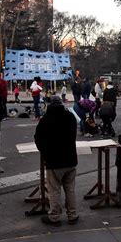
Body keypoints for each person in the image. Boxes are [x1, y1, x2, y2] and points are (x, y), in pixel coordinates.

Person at [35, 95, 79, 226]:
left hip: (54, 161)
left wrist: (45, 153)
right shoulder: (70, 117)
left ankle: (54, 217)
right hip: (70, 160)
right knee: (70, 189)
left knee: (54, 190)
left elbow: (38, 139)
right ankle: (73, 215)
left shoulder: (45, 120)